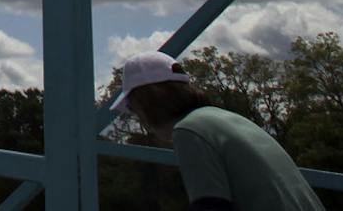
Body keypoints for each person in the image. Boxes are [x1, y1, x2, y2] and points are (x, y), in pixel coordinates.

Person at [115, 51, 325, 211]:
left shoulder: (189, 131)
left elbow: (211, 206)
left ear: (147, 101)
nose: (138, 118)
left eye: (133, 108)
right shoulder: (228, 119)